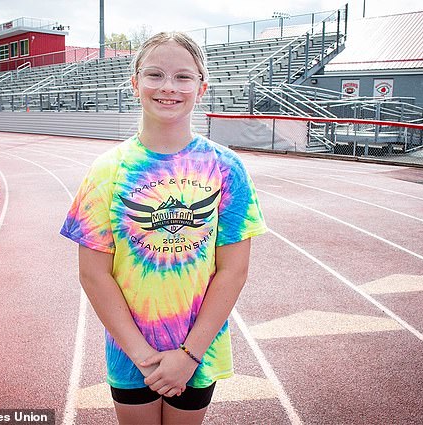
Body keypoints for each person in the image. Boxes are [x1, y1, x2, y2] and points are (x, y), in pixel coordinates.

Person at [60, 31, 267, 425]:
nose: (168, 87)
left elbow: (233, 271)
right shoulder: (108, 169)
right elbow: (93, 274)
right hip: (131, 352)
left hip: (199, 353)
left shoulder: (225, 168)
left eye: (183, 77)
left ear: (201, 87)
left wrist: (188, 356)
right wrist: (143, 355)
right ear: (134, 82)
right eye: (154, 75)